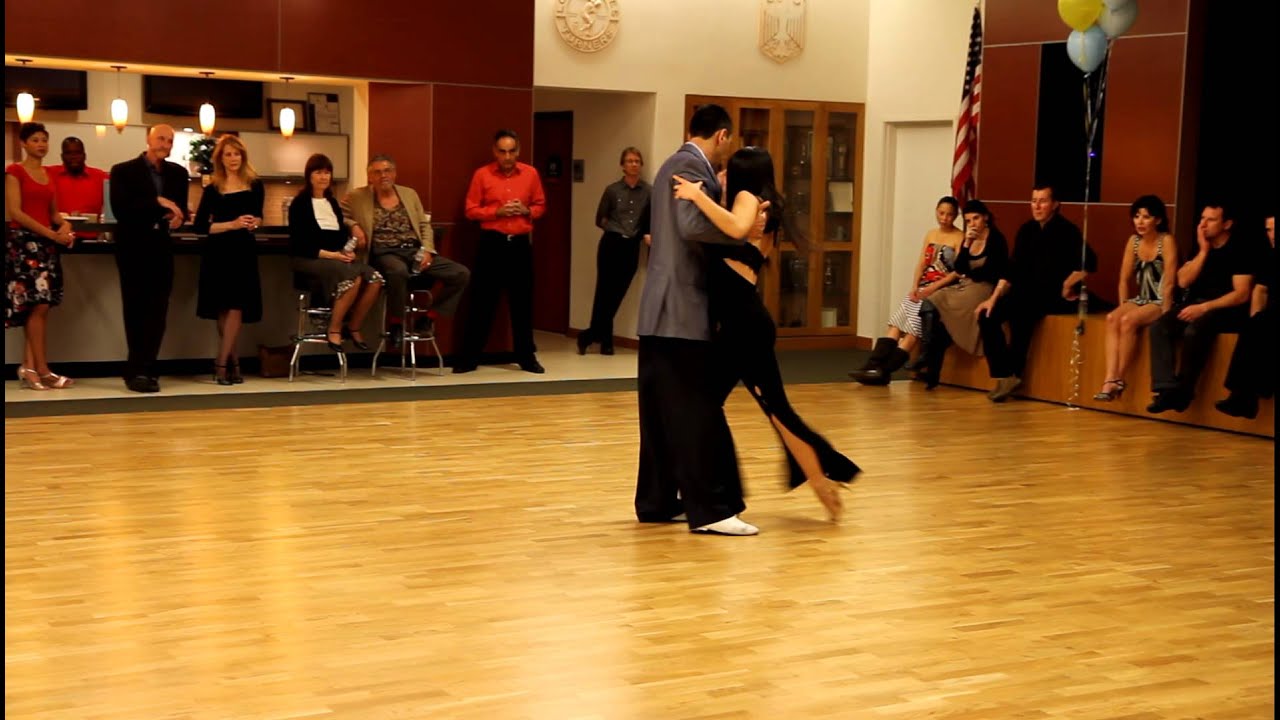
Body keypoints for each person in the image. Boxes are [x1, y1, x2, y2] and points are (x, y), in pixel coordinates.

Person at [673, 146, 859, 520]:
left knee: (772, 410)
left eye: (728, 169)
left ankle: (820, 481)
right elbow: (731, 229)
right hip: (745, 324)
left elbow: (735, 227)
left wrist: (695, 195)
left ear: (743, 173)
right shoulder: (759, 204)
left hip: (744, 327)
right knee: (727, 405)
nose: (722, 174)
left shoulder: (748, 203)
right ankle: (716, 486)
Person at [633, 104, 755, 536]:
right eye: (730, 140)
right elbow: (690, 225)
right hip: (681, 310)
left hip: (659, 309)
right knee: (692, 412)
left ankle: (658, 501)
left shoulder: (672, 161)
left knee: (661, 413)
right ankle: (711, 510)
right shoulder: (690, 165)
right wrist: (740, 230)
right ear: (721, 136)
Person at [974, 184, 1098, 402]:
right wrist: (992, 299)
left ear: (1055, 204)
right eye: (1033, 201)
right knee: (987, 315)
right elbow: (1011, 269)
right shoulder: (1026, 230)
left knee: (1022, 316)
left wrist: (1068, 284)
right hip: (1024, 291)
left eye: (1042, 201)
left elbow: (1090, 262)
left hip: (1050, 294)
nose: (1037, 206)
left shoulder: (1067, 231)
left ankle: (1014, 374)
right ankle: (1005, 374)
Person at [343, 154, 469, 347]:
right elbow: (340, 216)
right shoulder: (357, 196)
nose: (383, 176)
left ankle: (429, 318)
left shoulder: (409, 194)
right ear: (369, 176)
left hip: (413, 251)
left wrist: (427, 249)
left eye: (387, 171)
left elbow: (424, 225)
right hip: (384, 252)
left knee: (461, 273)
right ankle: (396, 324)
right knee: (398, 271)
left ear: (394, 174)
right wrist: (353, 225)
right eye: (377, 172)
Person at [455, 129, 548, 374]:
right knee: (482, 302)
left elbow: (540, 206)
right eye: (502, 151)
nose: (507, 156)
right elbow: (470, 210)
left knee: (522, 303)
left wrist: (526, 210)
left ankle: (526, 357)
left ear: (518, 151)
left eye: (512, 151)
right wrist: (496, 212)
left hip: (519, 244)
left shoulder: (530, 174)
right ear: (495, 151)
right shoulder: (482, 175)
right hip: (491, 243)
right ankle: (469, 357)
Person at [1147, 203, 1253, 413]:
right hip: (1197, 303)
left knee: (1194, 329)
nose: (1203, 225)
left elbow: (1241, 294)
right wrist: (1203, 251)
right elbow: (1184, 281)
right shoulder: (1201, 246)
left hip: (1226, 307)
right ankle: (1166, 388)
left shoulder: (1241, 249)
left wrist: (1204, 307)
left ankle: (1184, 390)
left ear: (1227, 224)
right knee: (1159, 327)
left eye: (1211, 220)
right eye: (1202, 218)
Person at [108, 124, 188, 393]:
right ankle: (136, 369)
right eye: (161, 138)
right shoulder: (123, 171)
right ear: (148, 139)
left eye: (170, 139)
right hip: (133, 246)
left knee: (158, 310)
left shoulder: (179, 173)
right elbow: (122, 209)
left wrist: (175, 214)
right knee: (135, 308)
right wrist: (158, 203)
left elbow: (179, 210)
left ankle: (148, 367)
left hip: (161, 246)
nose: (165, 143)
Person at [849, 196, 962, 384]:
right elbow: (921, 263)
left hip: (940, 291)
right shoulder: (931, 234)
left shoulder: (959, 237)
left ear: (956, 216)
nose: (944, 218)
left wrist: (932, 288)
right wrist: (914, 286)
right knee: (896, 323)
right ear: (936, 211)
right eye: (941, 213)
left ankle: (884, 371)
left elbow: (957, 272)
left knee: (913, 330)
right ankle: (872, 364)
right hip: (922, 287)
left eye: (949, 215)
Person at [5, 122, 76, 390]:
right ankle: (42, 369)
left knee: (42, 306)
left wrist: (65, 226)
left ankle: (29, 367)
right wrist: (50, 233)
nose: (41, 144)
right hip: (25, 244)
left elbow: (55, 213)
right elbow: (16, 212)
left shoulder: (48, 175)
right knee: (35, 305)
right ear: (24, 143)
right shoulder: (15, 171)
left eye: (44, 140)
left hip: (46, 245)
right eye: (35, 140)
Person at [289, 153, 384, 353]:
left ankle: (354, 326)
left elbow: (340, 235)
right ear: (309, 176)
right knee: (353, 278)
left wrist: (346, 251)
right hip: (309, 259)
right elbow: (300, 243)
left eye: (327, 173)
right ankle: (334, 329)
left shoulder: (333, 203)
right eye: (318, 172)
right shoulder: (300, 204)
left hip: (337, 258)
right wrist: (333, 255)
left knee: (375, 279)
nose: (323, 177)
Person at [192, 135, 265, 385]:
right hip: (219, 251)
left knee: (236, 306)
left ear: (243, 157)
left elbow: (259, 216)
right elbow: (200, 227)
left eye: (237, 154)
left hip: (243, 251)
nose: (233, 159)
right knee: (223, 308)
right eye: (228, 154)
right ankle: (232, 361)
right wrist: (231, 224)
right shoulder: (213, 188)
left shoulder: (255, 184)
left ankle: (221, 364)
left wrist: (256, 222)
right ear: (220, 159)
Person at [916, 199, 1010, 389]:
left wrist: (969, 272)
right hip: (965, 285)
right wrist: (966, 243)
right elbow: (959, 267)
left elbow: (991, 272)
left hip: (982, 289)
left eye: (975, 219)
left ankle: (931, 367)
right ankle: (927, 357)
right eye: (968, 220)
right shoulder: (969, 239)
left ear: (985, 218)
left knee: (944, 323)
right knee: (932, 302)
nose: (972, 224)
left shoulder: (996, 240)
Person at [1093, 195, 1178, 401]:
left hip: (1160, 300)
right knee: (1114, 318)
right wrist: (1123, 305)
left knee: (1128, 320)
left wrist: (1166, 317)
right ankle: (1110, 376)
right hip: (1141, 298)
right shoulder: (1134, 241)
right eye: (1137, 216)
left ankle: (1118, 378)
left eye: (1146, 217)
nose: (1140, 221)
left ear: (1158, 220)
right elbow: (1123, 280)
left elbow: (1169, 283)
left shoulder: (1166, 241)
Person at [578, 146, 651, 356]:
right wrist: (614, 229)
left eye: (637, 161)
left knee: (616, 295)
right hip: (611, 243)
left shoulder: (648, 191)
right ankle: (605, 341)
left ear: (641, 165)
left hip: (631, 246)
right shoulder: (612, 190)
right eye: (629, 161)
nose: (633, 164)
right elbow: (600, 218)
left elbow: (649, 219)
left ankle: (589, 335)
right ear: (622, 166)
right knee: (604, 293)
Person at [1215, 212, 1275, 418]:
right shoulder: (1270, 256)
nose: (1272, 235)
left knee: (1260, 328)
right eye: (1269, 230)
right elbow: (1260, 290)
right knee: (1253, 326)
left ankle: (1247, 396)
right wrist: (1256, 318)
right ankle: (1243, 396)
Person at [47, 136, 108, 239]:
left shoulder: (101, 177)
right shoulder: (49, 174)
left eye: (77, 153)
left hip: (91, 239)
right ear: (62, 156)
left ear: (84, 155)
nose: (73, 157)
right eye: (68, 153)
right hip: (58, 237)